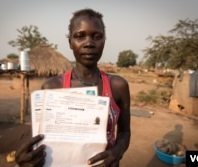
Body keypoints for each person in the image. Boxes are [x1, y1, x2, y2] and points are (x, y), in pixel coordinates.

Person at [15, 8, 131, 167]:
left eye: (97, 37)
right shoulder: (52, 87)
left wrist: (116, 152)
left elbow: (124, 132)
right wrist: (25, 158)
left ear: (104, 41)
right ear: (70, 42)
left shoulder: (118, 86)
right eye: (79, 36)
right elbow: (39, 137)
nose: (89, 43)